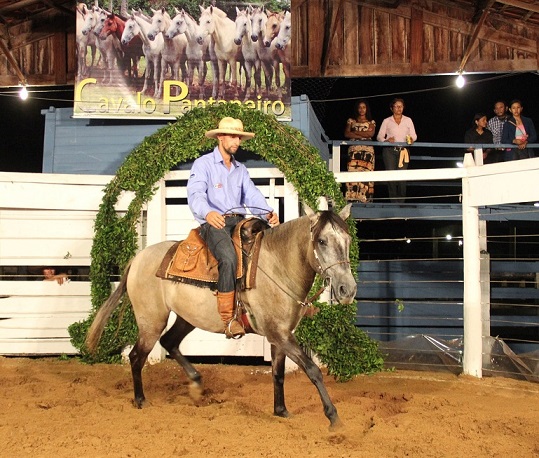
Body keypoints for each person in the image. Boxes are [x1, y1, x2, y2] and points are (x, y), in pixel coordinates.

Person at [187, 116, 280, 339]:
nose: (236, 141)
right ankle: (229, 320)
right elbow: (195, 194)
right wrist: (208, 213)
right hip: (214, 222)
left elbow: (252, 195)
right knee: (228, 258)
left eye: (238, 137)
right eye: (231, 136)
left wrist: (266, 212)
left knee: (265, 248)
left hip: (239, 222)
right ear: (220, 137)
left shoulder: (240, 169)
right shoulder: (204, 164)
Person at [376, 98, 417, 203]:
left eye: (401, 106)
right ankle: (393, 201)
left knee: (402, 175)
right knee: (391, 175)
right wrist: (386, 140)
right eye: (396, 106)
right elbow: (379, 136)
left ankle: (402, 201)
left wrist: (412, 139)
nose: (399, 108)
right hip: (390, 150)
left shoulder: (408, 120)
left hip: (403, 150)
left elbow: (414, 135)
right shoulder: (387, 121)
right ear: (392, 108)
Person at [343, 99, 376, 203]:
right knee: (353, 173)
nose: (362, 110)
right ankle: (352, 199)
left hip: (367, 152)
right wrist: (363, 134)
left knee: (366, 174)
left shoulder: (371, 122)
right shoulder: (351, 121)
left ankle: (364, 199)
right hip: (354, 151)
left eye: (364, 107)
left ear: (367, 109)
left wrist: (355, 132)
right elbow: (347, 134)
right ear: (357, 109)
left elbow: (370, 134)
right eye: (360, 107)